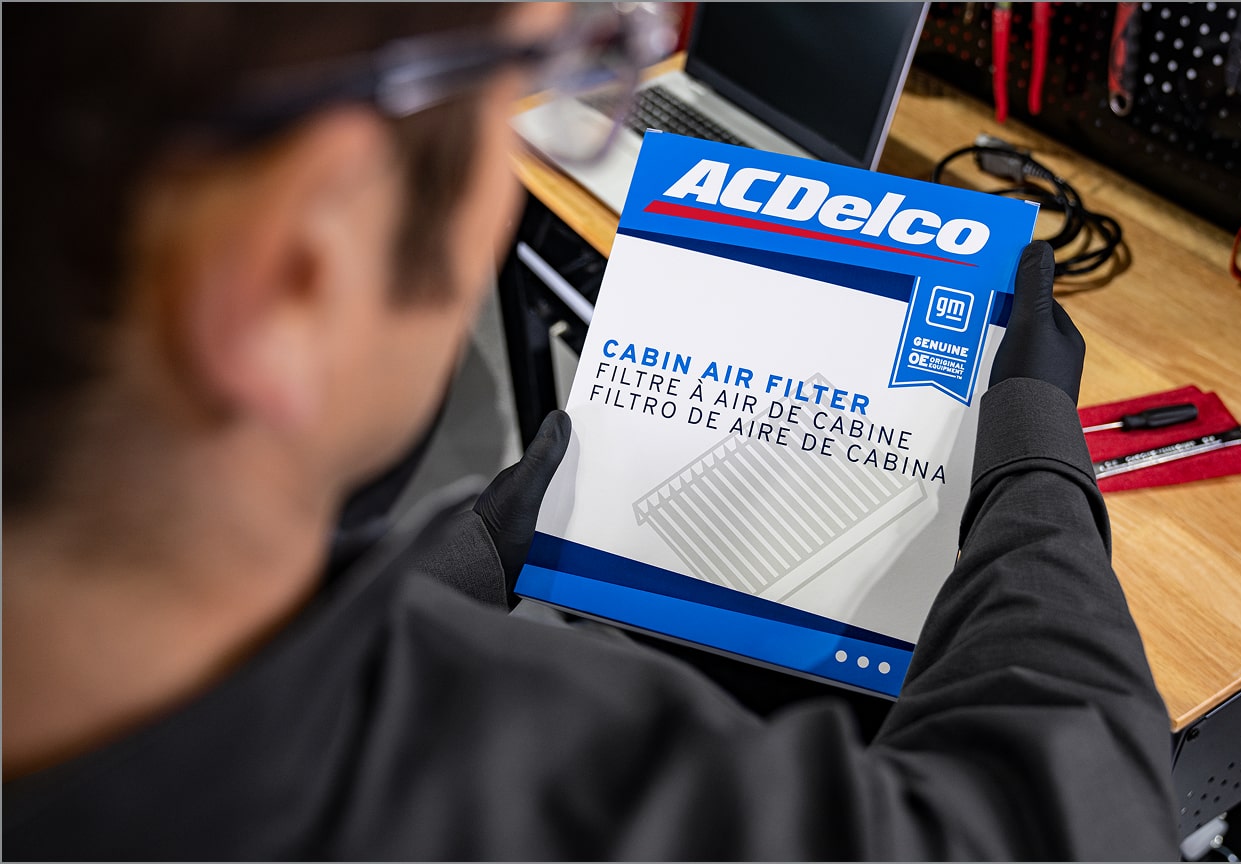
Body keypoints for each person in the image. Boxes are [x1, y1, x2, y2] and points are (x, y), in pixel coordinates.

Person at [3, 3, 1179, 859]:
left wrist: (443, 573)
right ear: (296, 275)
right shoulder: (531, 797)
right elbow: (1075, 824)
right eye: (524, 79)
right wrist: (1030, 457)